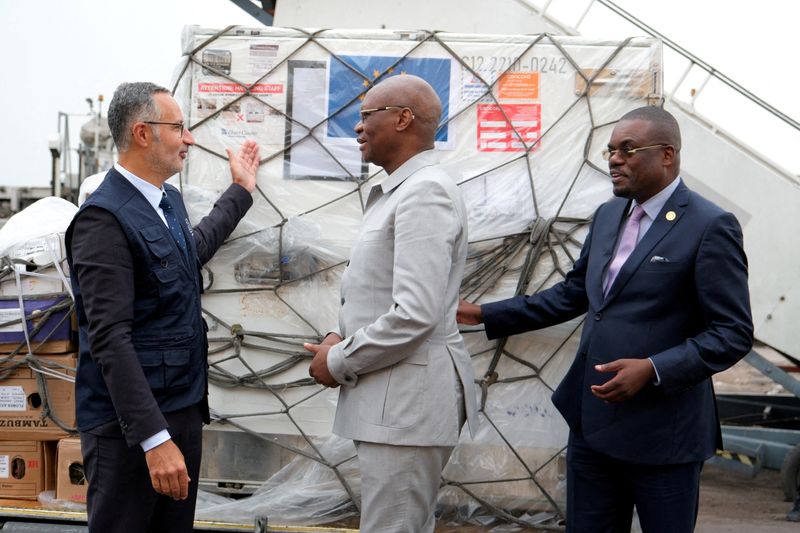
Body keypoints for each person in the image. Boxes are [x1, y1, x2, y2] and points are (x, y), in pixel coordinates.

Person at [458, 106, 753, 533]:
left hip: (664, 437)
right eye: (611, 150)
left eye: (628, 150)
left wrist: (653, 370)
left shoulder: (710, 226)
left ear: (667, 155)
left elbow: (732, 332)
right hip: (593, 428)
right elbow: (574, 294)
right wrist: (486, 313)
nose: (614, 159)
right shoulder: (608, 216)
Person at [66, 81, 260, 532]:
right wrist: (155, 440)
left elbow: (190, 252)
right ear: (143, 134)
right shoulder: (103, 219)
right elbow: (109, 340)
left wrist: (241, 191)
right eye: (179, 127)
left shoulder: (165, 200)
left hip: (181, 411)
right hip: (131, 432)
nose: (189, 138)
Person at [303, 74, 479, 532]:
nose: (357, 127)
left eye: (366, 115)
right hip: (394, 403)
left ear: (403, 119)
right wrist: (339, 332)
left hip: (406, 407)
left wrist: (338, 360)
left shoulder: (425, 192)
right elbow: (380, 291)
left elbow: (416, 313)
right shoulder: (399, 191)